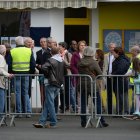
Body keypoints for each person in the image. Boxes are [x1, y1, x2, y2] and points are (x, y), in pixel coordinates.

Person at [33, 46, 66, 128]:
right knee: (48, 103)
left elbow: (44, 68)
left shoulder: (50, 60)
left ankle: (53, 122)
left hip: (50, 83)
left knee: (49, 103)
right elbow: (64, 72)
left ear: (51, 53)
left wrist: (48, 75)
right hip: (59, 84)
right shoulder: (62, 60)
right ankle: (42, 121)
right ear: (58, 52)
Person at [78, 47, 109, 128]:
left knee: (83, 104)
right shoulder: (93, 62)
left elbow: (79, 71)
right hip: (92, 83)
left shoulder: (80, 61)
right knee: (97, 103)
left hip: (82, 84)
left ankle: (83, 121)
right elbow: (100, 73)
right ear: (92, 53)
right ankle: (101, 120)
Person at [9, 36, 36, 118]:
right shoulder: (29, 50)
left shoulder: (12, 51)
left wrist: (11, 73)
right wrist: (30, 73)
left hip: (16, 74)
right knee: (26, 93)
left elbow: (10, 64)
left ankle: (19, 112)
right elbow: (33, 64)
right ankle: (28, 112)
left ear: (16, 43)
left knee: (17, 93)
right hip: (26, 74)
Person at [112, 47, 130, 115]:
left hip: (121, 81)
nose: (113, 54)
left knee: (122, 96)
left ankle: (123, 111)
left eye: (114, 52)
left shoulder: (122, 60)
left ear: (118, 53)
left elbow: (120, 70)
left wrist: (112, 74)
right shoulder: (119, 59)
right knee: (119, 96)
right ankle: (120, 111)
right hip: (118, 80)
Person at [36, 37, 51, 108]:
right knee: (42, 93)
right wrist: (39, 66)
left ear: (47, 43)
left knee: (48, 93)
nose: (43, 43)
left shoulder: (50, 52)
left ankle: (49, 108)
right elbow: (36, 63)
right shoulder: (38, 52)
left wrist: (40, 66)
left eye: (44, 42)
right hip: (41, 75)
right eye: (41, 42)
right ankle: (43, 108)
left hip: (49, 75)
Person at [0, 45, 14, 119]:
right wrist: (8, 74)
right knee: (1, 101)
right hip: (1, 83)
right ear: (4, 51)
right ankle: (0, 118)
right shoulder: (1, 57)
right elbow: (1, 70)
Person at [103, 42, 116, 114]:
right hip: (108, 77)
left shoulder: (117, 55)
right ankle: (109, 111)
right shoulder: (106, 56)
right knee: (109, 93)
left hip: (115, 77)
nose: (112, 49)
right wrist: (103, 76)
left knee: (116, 93)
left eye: (114, 47)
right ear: (109, 48)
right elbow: (104, 66)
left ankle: (118, 110)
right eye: (111, 47)